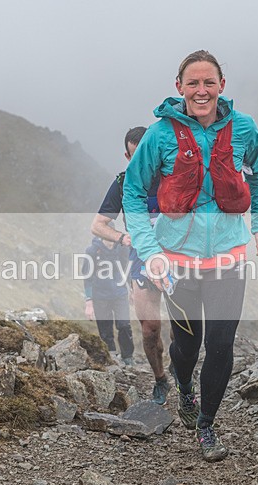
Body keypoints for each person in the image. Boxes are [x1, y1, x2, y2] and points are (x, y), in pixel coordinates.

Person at [123, 50, 258, 462]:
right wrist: (149, 250)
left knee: (221, 344)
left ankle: (206, 424)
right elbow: (133, 194)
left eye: (209, 83)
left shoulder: (244, 129)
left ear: (222, 86)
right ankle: (184, 387)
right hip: (177, 263)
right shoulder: (158, 134)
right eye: (193, 83)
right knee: (188, 346)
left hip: (228, 258)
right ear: (180, 88)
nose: (202, 90)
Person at [90, 127, 174, 405]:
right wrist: (123, 237)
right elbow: (98, 225)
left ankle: (181, 371)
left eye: (146, 154)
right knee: (150, 329)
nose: (142, 162)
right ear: (127, 156)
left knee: (182, 328)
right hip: (141, 261)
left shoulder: (174, 176)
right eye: (135, 156)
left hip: (177, 257)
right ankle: (161, 379)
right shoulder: (123, 182)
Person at [83, 235, 135, 365]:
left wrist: (132, 290)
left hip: (120, 293)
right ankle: (111, 356)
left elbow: (127, 270)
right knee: (105, 329)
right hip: (100, 295)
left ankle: (127, 357)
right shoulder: (92, 251)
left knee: (124, 325)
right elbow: (87, 277)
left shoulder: (122, 249)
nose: (110, 241)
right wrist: (89, 301)